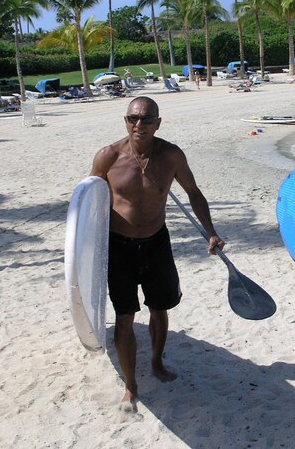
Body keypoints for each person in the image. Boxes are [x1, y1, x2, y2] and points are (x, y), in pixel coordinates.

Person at [89, 96, 224, 413]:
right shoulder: (108, 157)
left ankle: (156, 362)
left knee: (159, 308)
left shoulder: (171, 156)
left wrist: (212, 231)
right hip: (118, 246)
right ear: (126, 121)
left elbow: (194, 193)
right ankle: (130, 386)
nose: (140, 125)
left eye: (147, 119)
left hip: (156, 242)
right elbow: (88, 206)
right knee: (124, 318)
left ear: (158, 123)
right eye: (133, 118)